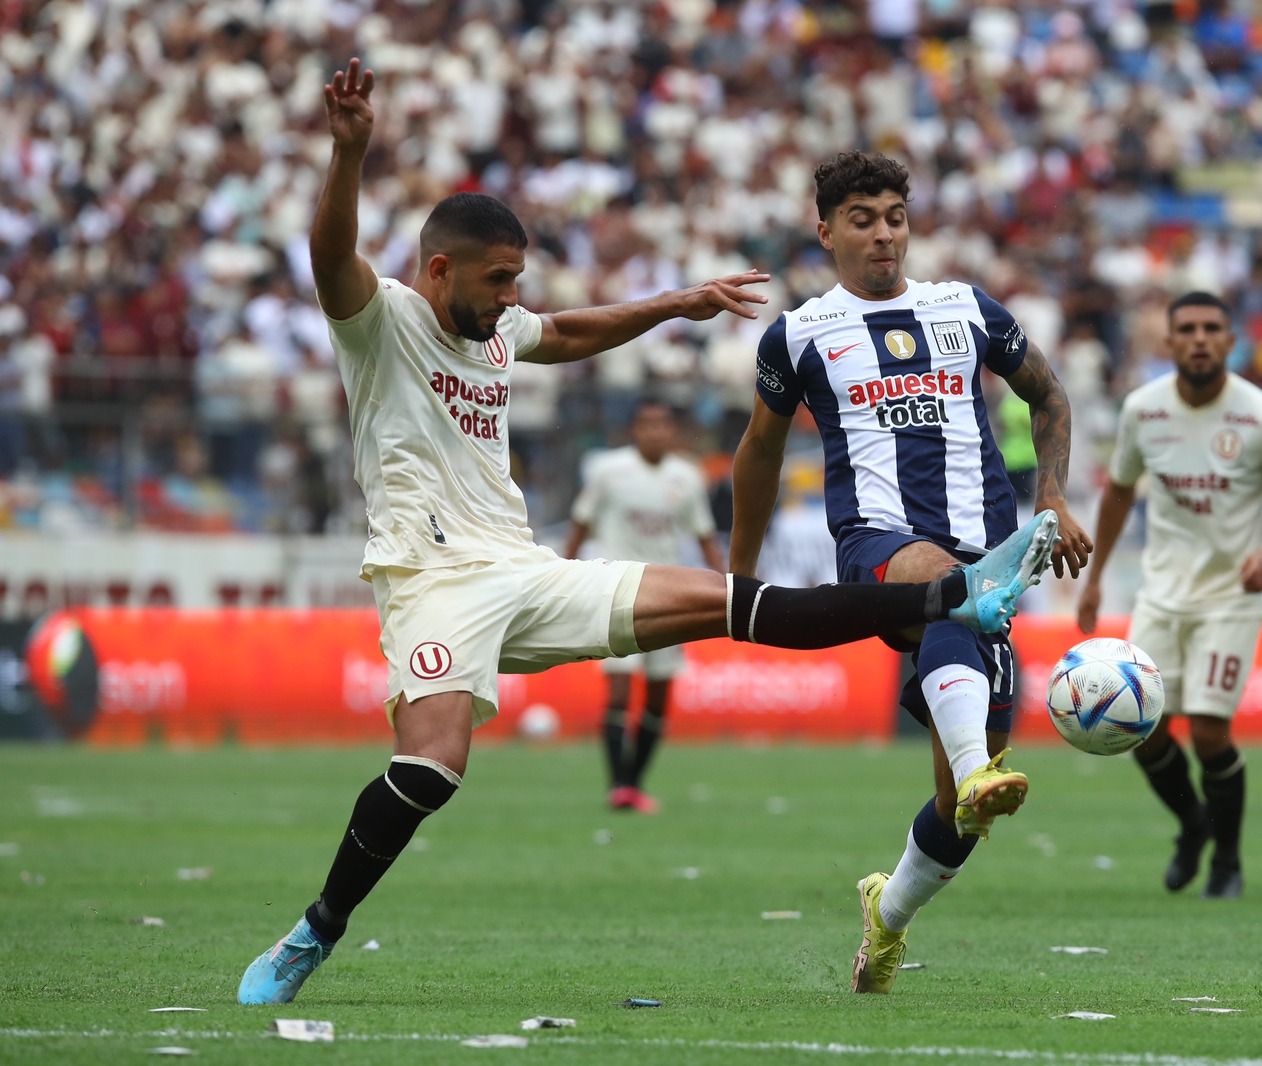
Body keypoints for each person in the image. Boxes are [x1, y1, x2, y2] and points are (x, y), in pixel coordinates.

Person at [237, 61, 1060, 1006]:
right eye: (497, 280)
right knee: (431, 767)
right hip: (432, 583)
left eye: (516, 282)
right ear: (438, 271)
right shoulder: (379, 322)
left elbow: (571, 331)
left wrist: (673, 304)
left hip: (526, 569)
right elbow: (330, 256)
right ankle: (316, 932)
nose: (511, 297)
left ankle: (954, 594)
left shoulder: (497, 331)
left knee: (729, 603)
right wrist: (348, 156)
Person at [729, 150, 1093, 994]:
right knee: (943, 590)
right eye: (863, 217)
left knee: (957, 819)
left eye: (895, 215)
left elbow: (1049, 395)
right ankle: (977, 771)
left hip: (992, 558)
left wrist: (1053, 501)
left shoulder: (966, 309)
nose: (884, 232)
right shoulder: (798, 335)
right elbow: (759, 452)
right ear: (826, 231)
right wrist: (739, 578)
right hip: (875, 541)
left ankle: (888, 913)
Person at [1077, 291, 1262, 900]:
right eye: (1186, 328)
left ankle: (1228, 859)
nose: (1198, 338)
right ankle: (1192, 824)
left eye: (1211, 328)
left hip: (1230, 597)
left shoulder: (1261, 417)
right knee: (1138, 728)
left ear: (1229, 340)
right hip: (1161, 596)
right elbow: (1117, 493)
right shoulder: (1143, 410)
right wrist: (1094, 579)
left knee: (1211, 734)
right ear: (1167, 341)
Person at [563, 400, 723, 813]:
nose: (655, 432)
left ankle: (633, 784)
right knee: (619, 689)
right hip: (616, 592)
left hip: (668, 596)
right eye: (647, 425)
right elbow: (580, 523)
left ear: (672, 432)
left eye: (662, 425)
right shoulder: (608, 471)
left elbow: (704, 535)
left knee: (657, 697)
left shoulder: (686, 476)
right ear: (635, 429)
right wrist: (562, 578)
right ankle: (618, 785)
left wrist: (731, 585)